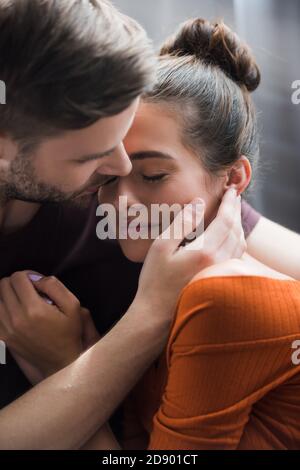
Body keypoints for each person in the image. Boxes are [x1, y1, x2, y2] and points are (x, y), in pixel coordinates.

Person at [0, 0, 246, 449]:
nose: (119, 164)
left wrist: (66, 364)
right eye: (90, 155)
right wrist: (152, 314)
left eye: (123, 135)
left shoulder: (156, 208)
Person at [92, 18, 299, 450]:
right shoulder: (157, 283)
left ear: (233, 177)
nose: (120, 203)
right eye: (108, 178)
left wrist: (58, 361)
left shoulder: (222, 297)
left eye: (152, 175)